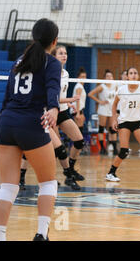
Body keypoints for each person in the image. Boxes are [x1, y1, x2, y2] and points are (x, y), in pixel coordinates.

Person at [0, 18, 60, 241]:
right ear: (54, 41)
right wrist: (53, 108)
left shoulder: (19, 61)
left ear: (34, 37)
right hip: (31, 123)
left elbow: (6, 97)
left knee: (8, 187)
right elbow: (52, 87)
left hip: (7, 124)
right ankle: (41, 234)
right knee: (49, 183)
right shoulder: (51, 63)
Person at [50, 46, 86, 183]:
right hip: (51, 112)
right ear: (54, 56)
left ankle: (70, 170)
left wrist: (68, 104)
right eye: (60, 53)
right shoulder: (49, 72)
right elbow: (51, 97)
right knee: (57, 149)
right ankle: (52, 178)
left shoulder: (65, 73)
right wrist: (71, 100)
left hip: (63, 111)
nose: (64, 55)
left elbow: (62, 94)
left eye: (65, 53)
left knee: (79, 141)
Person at [88, 70, 118, 155]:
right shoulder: (102, 86)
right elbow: (90, 94)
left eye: (111, 76)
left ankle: (115, 148)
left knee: (113, 129)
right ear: (104, 78)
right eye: (107, 76)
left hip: (111, 109)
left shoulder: (115, 85)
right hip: (103, 109)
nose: (109, 77)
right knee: (101, 128)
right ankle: (102, 148)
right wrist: (99, 101)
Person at [71, 67, 87, 134]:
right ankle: (74, 144)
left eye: (85, 77)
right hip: (77, 110)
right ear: (78, 77)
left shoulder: (80, 86)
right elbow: (77, 100)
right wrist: (78, 113)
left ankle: (75, 144)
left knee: (79, 131)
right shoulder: (79, 86)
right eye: (82, 77)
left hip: (79, 110)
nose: (84, 78)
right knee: (79, 132)